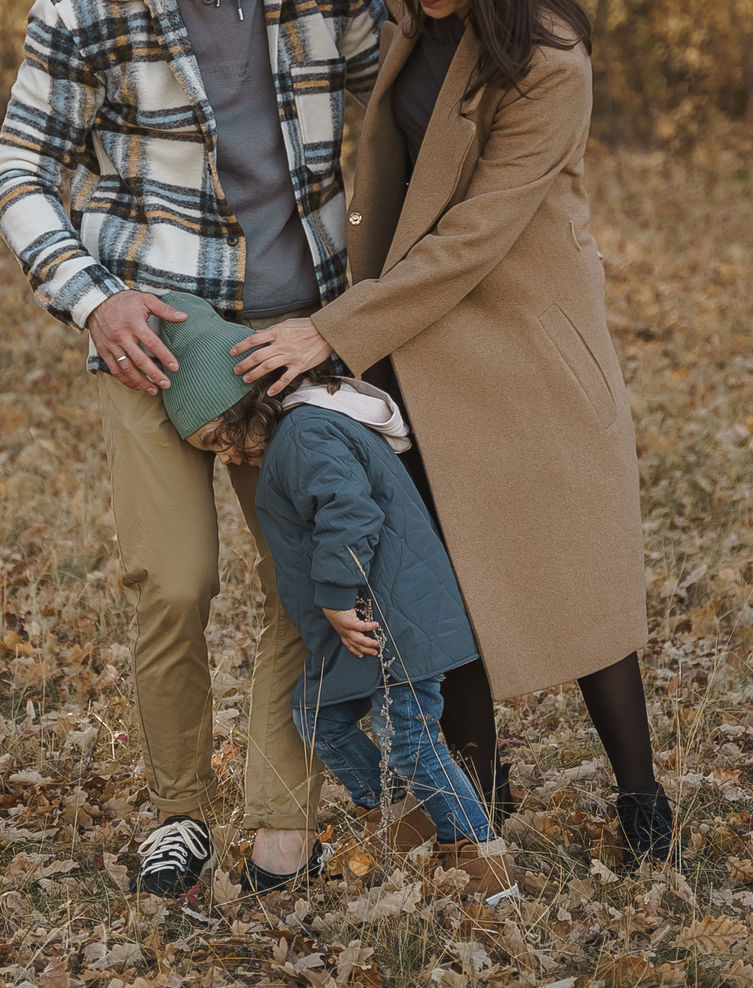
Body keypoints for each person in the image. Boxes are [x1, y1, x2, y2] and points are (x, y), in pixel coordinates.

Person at [229, 0, 675, 863]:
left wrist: (331, 331)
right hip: (412, 345)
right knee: (447, 579)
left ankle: (642, 802)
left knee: (582, 588)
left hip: (522, 350)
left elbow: (473, 238)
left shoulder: (549, 63)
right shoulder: (408, 13)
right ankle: (481, 803)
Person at [0, 0, 387, 897]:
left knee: (304, 586)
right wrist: (92, 300)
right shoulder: (81, 4)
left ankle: (279, 820)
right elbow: (18, 172)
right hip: (156, 343)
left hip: (300, 343)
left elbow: (412, 102)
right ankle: (177, 812)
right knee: (171, 583)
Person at [149, 291, 520, 902]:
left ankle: (482, 865)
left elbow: (349, 514)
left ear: (250, 402)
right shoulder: (296, 435)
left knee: (414, 739)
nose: (227, 457)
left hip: (390, 613)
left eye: (221, 439)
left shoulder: (307, 434)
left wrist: (337, 595)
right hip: (370, 618)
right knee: (317, 715)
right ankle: (403, 814)